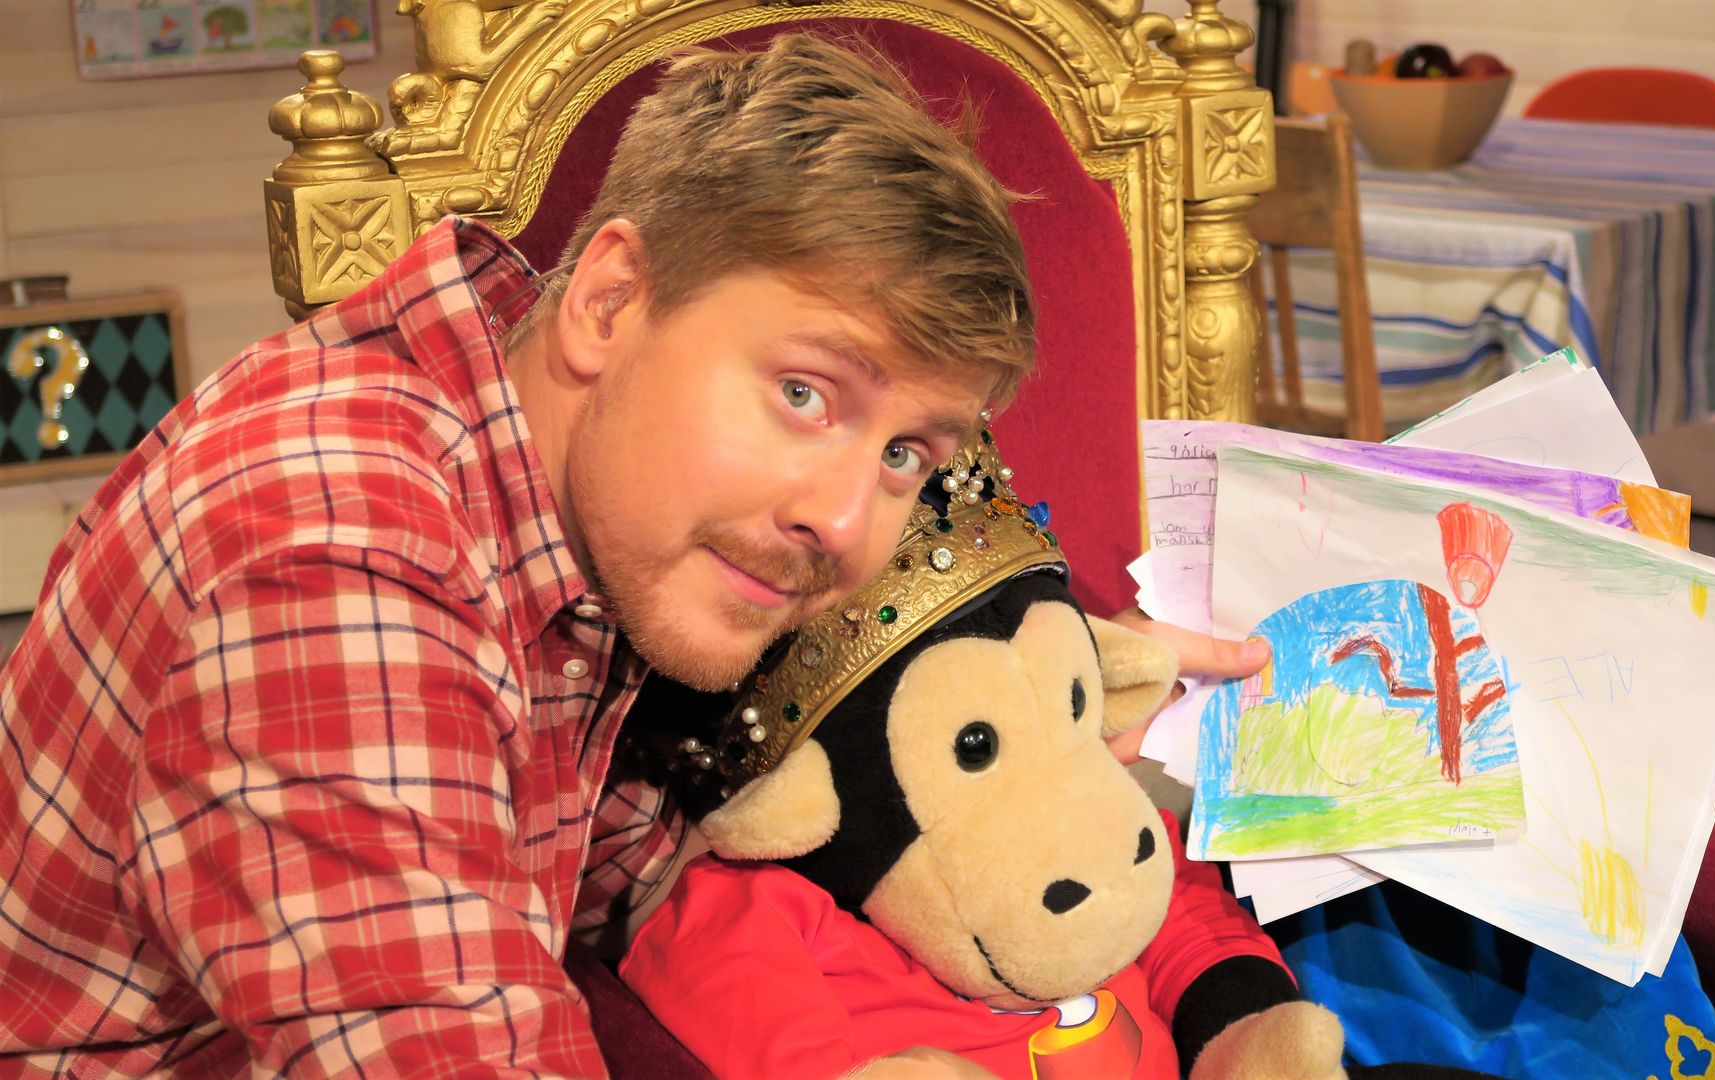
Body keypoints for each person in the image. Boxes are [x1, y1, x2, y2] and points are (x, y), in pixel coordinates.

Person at [0, 34, 1265, 1078]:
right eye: (805, 394)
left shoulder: (567, 458)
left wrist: (1044, 705)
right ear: (610, 300)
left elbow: (634, 858)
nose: (842, 521)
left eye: (904, 454)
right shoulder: (334, 552)